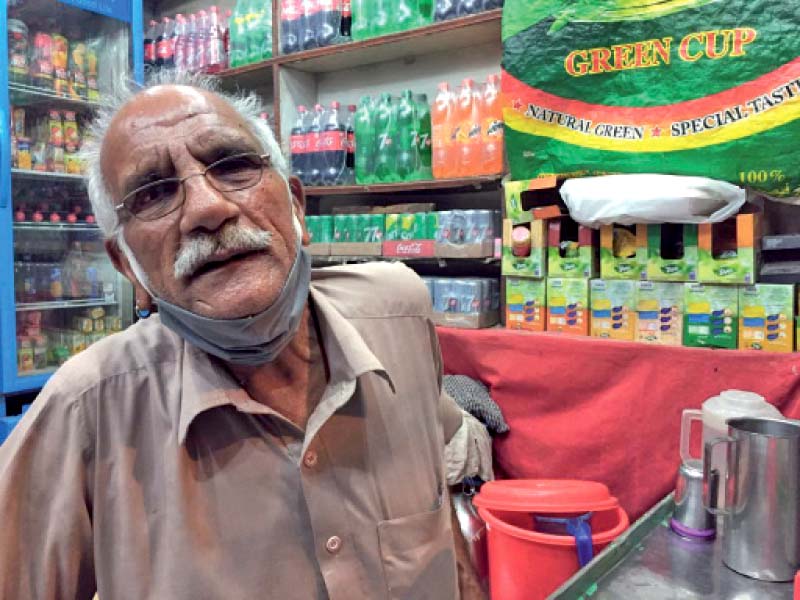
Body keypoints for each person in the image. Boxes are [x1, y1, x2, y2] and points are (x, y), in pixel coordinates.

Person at [0, 71, 492, 599]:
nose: (209, 209)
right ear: (127, 268)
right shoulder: (87, 410)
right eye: (154, 193)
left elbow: (434, 486)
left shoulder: (397, 312)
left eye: (233, 165)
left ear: (298, 208)